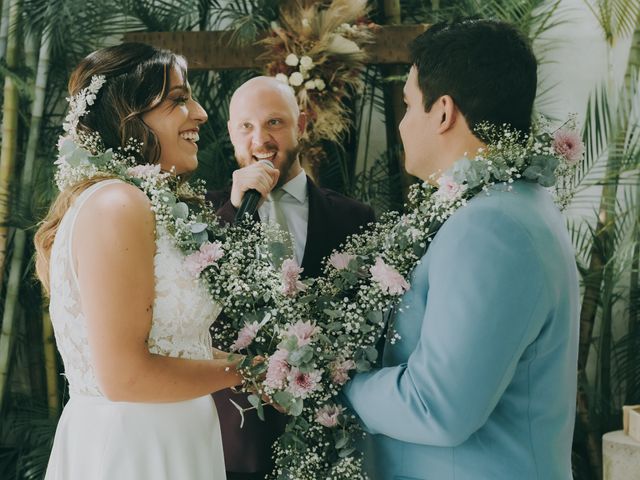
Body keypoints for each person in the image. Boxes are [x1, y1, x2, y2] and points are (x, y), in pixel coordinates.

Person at [341, 20, 580, 480]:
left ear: (444, 111)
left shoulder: (491, 227)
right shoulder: (510, 204)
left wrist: (339, 383)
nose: (403, 122)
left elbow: (437, 407)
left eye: (409, 105)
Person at [34, 43, 251, 480]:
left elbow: (167, 346)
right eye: (178, 99)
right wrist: (243, 373)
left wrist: (270, 367)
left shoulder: (133, 202)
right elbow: (125, 376)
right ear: (127, 117)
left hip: (173, 434)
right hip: (134, 448)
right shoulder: (117, 203)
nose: (201, 113)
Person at [207, 76, 375, 480]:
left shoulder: (354, 219)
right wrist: (233, 213)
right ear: (231, 133)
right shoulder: (204, 220)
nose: (260, 139)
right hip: (232, 442)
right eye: (246, 126)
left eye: (275, 123)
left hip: (326, 438)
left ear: (301, 124)